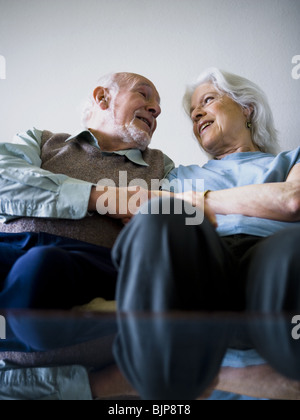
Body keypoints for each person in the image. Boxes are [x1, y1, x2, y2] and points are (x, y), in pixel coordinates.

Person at [0, 72, 176, 309]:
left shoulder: (161, 166)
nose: (156, 109)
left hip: (86, 264)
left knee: (41, 264)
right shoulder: (39, 140)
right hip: (9, 248)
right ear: (102, 97)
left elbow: (170, 223)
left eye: (157, 105)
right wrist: (106, 198)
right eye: (143, 94)